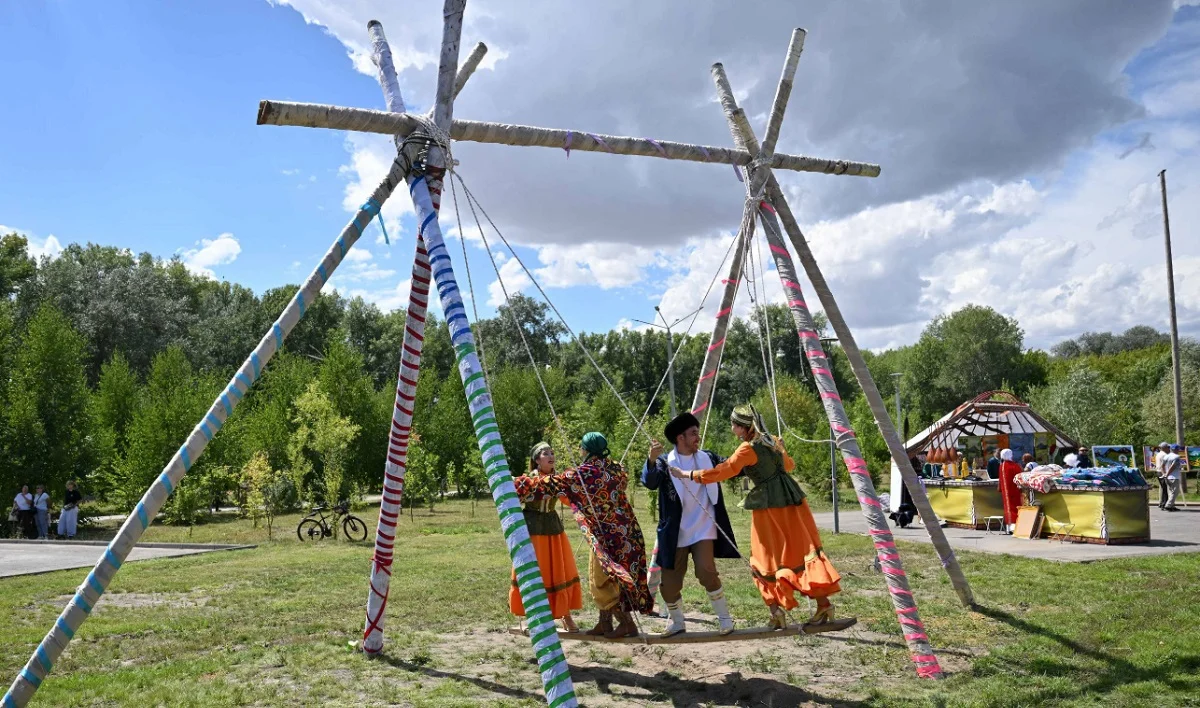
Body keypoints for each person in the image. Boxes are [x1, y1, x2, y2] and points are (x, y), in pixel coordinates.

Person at [669, 404, 852, 632]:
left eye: (733, 425)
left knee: (762, 559)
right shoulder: (771, 440)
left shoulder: (747, 449)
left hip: (769, 508)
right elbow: (789, 466)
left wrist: (688, 474)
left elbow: (724, 471)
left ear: (742, 427)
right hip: (793, 503)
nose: (732, 428)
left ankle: (777, 612)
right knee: (800, 552)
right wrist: (781, 449)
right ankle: (822, 605)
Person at [513, 432, 650, 639]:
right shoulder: (616, 468)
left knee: (600, 579)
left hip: (604, 533)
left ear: (586, 450)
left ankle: (626, 623)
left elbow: (547, 484)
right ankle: (604, 623)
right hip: (625, 530)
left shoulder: (582, 474)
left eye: (581, 448)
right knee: (604, 575)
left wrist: (513, 483)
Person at [642, 412, 739, 637]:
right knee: (670, 584)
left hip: (704, 527)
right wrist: (651, 459)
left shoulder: (709, 458)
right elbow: (649, 482)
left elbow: (734, 467)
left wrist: (752, 449)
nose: (698, 437)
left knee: (706, 571)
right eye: (693, 433)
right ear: (680, 437)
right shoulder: (664, 462)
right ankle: (677, 623)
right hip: (675, 532)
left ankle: (725, 619)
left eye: (697, 432)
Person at [509, 443, 582, 633]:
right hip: (532, 529)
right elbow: (514, 498)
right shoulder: (528, 480)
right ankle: (533, 617)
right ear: (536, 460)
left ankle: (565, 615)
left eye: (552, 453)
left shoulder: (559, 479)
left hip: (552, 527)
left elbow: (569, 499)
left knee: (559, 570)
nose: (551, 456)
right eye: (545, 453)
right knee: (535, 571)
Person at [998, 449, 1023, 533]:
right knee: (1016, 507)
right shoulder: (1015, 466)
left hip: (1005, 491)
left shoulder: (1001, 466)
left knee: (1008, 508)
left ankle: (1009, 527)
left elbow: (1000, 479)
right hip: (1015, 490)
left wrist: (1000, 488)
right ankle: (1015, 526)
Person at [1160, 445, 1183, 512]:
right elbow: (1173, 466)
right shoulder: (1177, 457)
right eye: (1178, 449)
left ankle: (1172, 506)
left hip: (1167, 477)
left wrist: (1164, 473)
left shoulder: (1166, 456)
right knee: (1175, 492)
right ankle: (1168, 505)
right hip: (1174, 477)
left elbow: (1162, 466)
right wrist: (1167, 474)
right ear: (1176, 450)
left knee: (1170, 492)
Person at [1154, 442, 1172, 509]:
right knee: (1166, 489)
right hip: (1163, 472)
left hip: (1158, 472)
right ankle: (1164, 504)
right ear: (1164, 448)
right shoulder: (1165, 455)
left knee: (1163, 489)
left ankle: (1162, 503)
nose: (1169, 449)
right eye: (1168, 447)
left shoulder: (1158, 454)